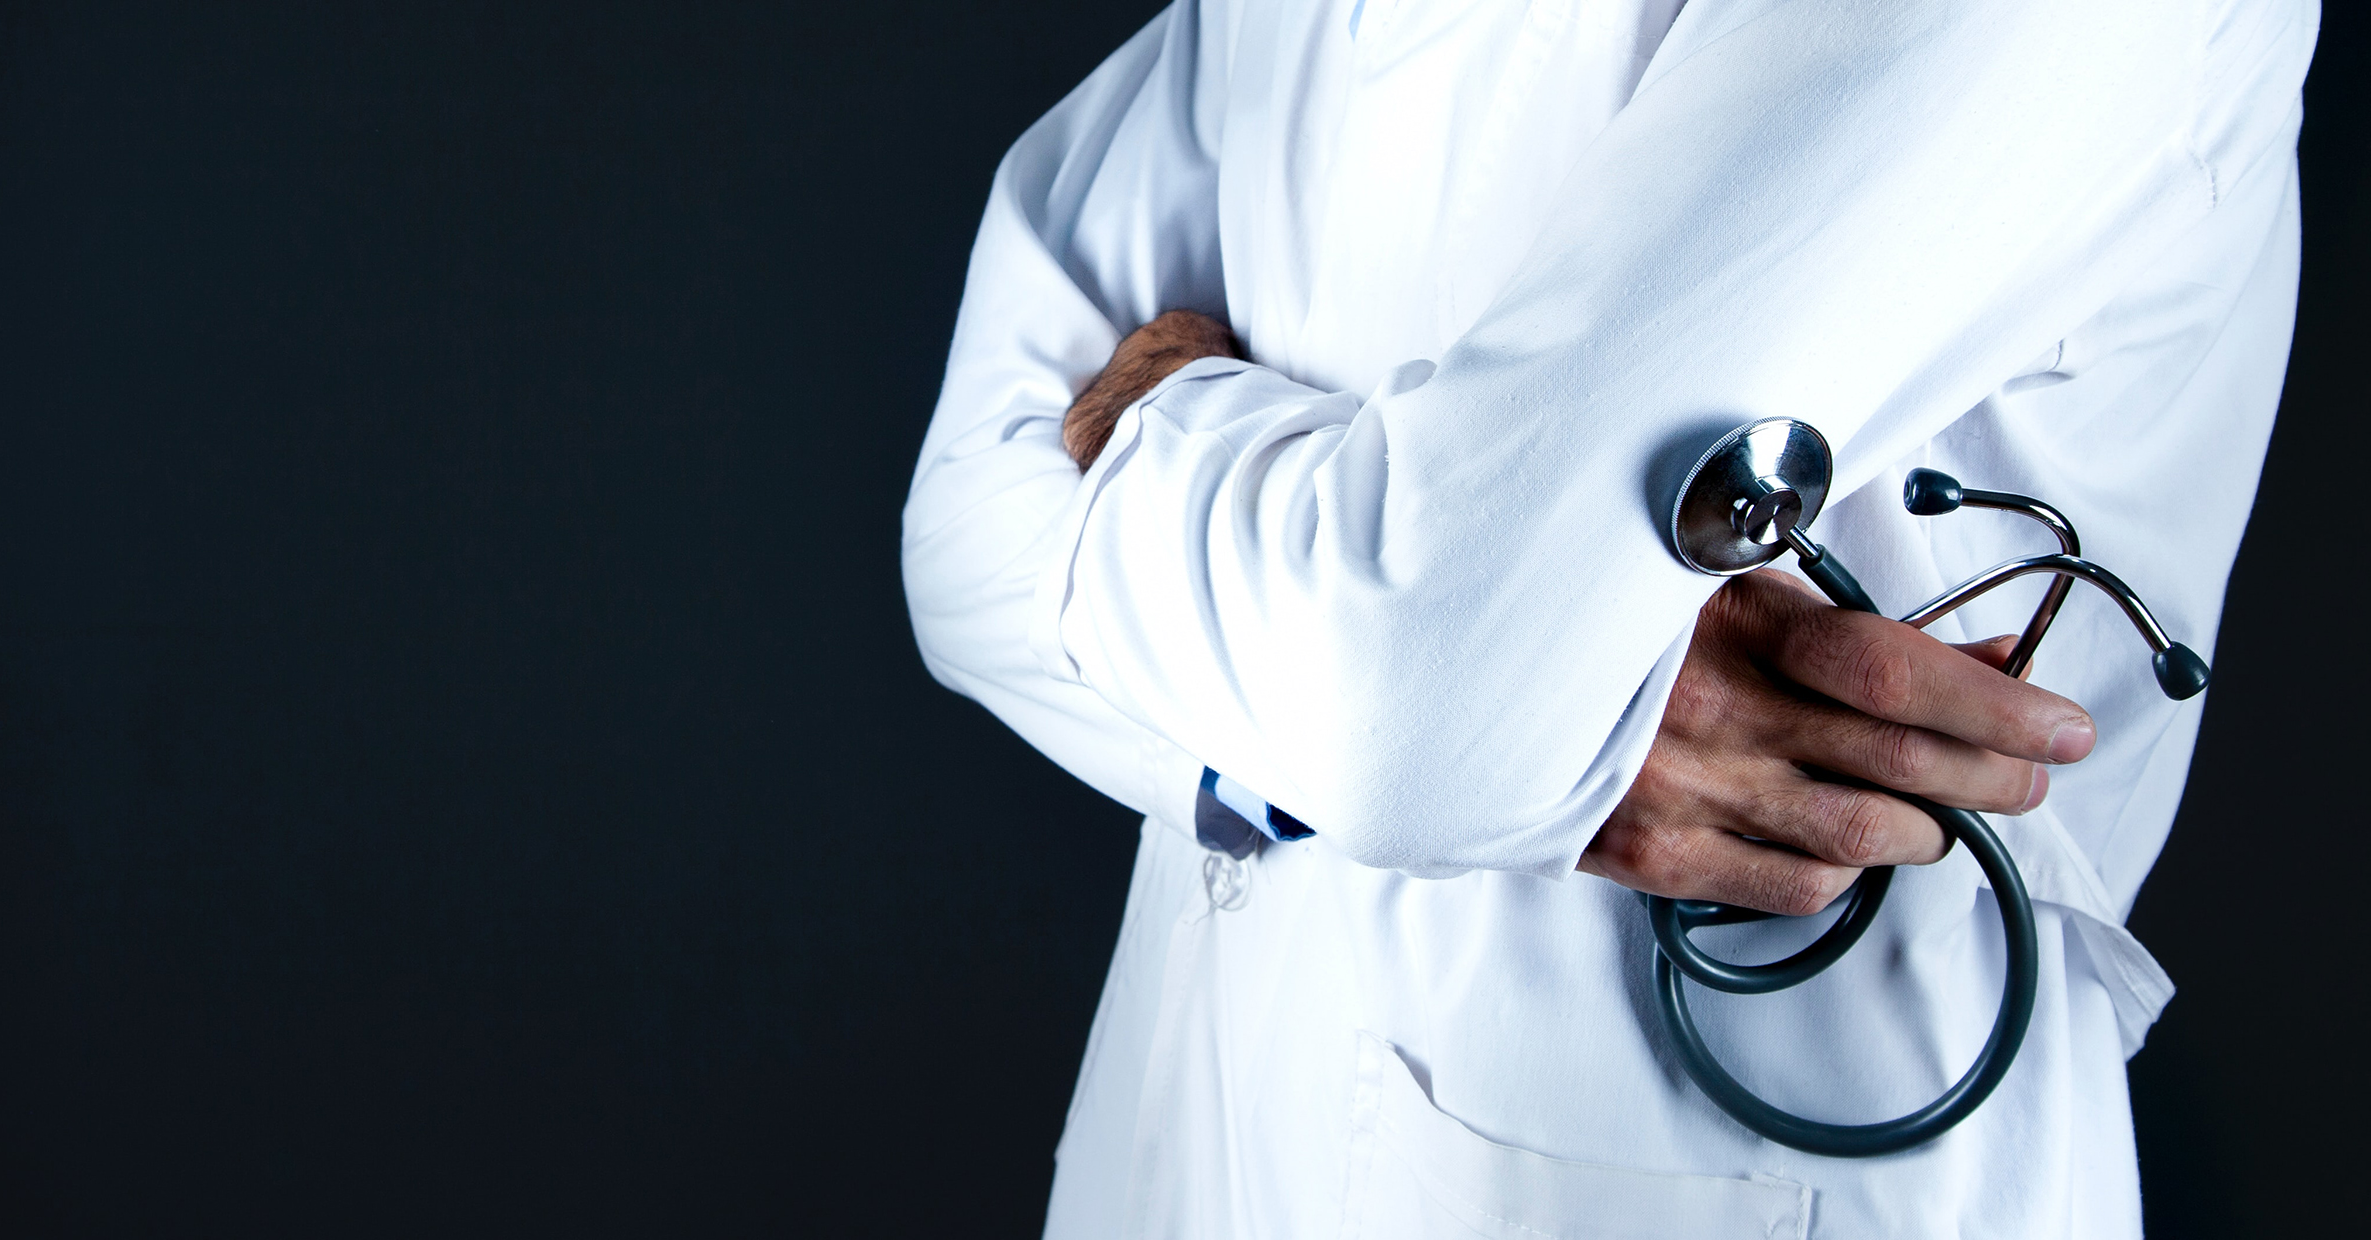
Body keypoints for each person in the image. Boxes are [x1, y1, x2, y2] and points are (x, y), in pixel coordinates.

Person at [901, 0, 2316, 1234]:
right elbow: (961, 530)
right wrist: (1413, 670)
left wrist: (1153, 426)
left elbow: (1414, 699)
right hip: (1202, 1148)